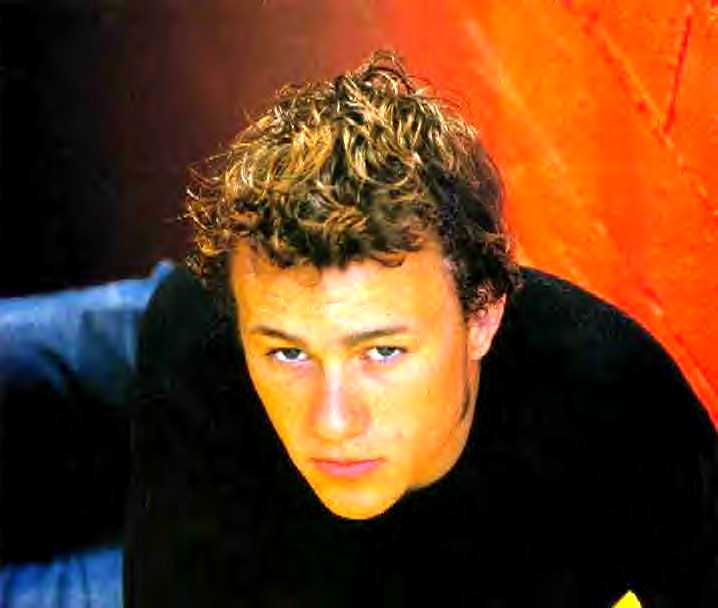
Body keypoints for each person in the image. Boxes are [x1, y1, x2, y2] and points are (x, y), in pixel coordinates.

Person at [124, 50, 718, 606]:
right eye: (288, 355)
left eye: (382, 351)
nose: (333, 424)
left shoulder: (617, 407)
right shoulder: (195, 338)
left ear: (482, 316)